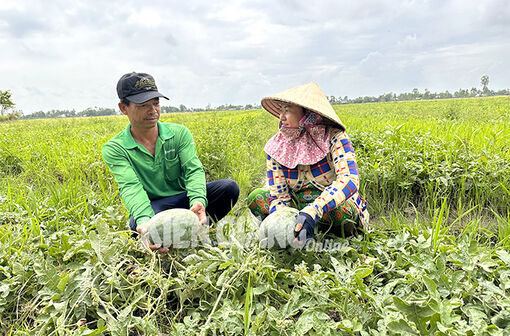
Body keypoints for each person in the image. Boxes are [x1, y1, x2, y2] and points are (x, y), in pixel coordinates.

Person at [102, 72, 239, 252]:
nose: (153, 111)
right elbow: (130, 187)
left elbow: (193, 170)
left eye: (156, 103)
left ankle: (196, 229)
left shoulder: (179, 133)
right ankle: (165, 239)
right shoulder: (115, 148)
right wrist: (145, 221)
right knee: (138, 224)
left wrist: (198, 200)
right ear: (123, 108)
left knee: (228, 188)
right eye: (143, 105)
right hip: (155, 207)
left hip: (184, 200)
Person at [247, 82, 369, 243]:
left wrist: (314, 210)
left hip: (327, 206)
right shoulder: (277, 147)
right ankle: (297, 232)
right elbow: (279, 196)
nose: (281, 117)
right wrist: (284, 221)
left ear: (307, 113)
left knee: (341, 212)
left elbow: (349, 180)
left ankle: (329, 233)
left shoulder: (334, 137)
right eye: (280, 111)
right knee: (257, 198)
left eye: (287, 111)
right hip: (296, 208)